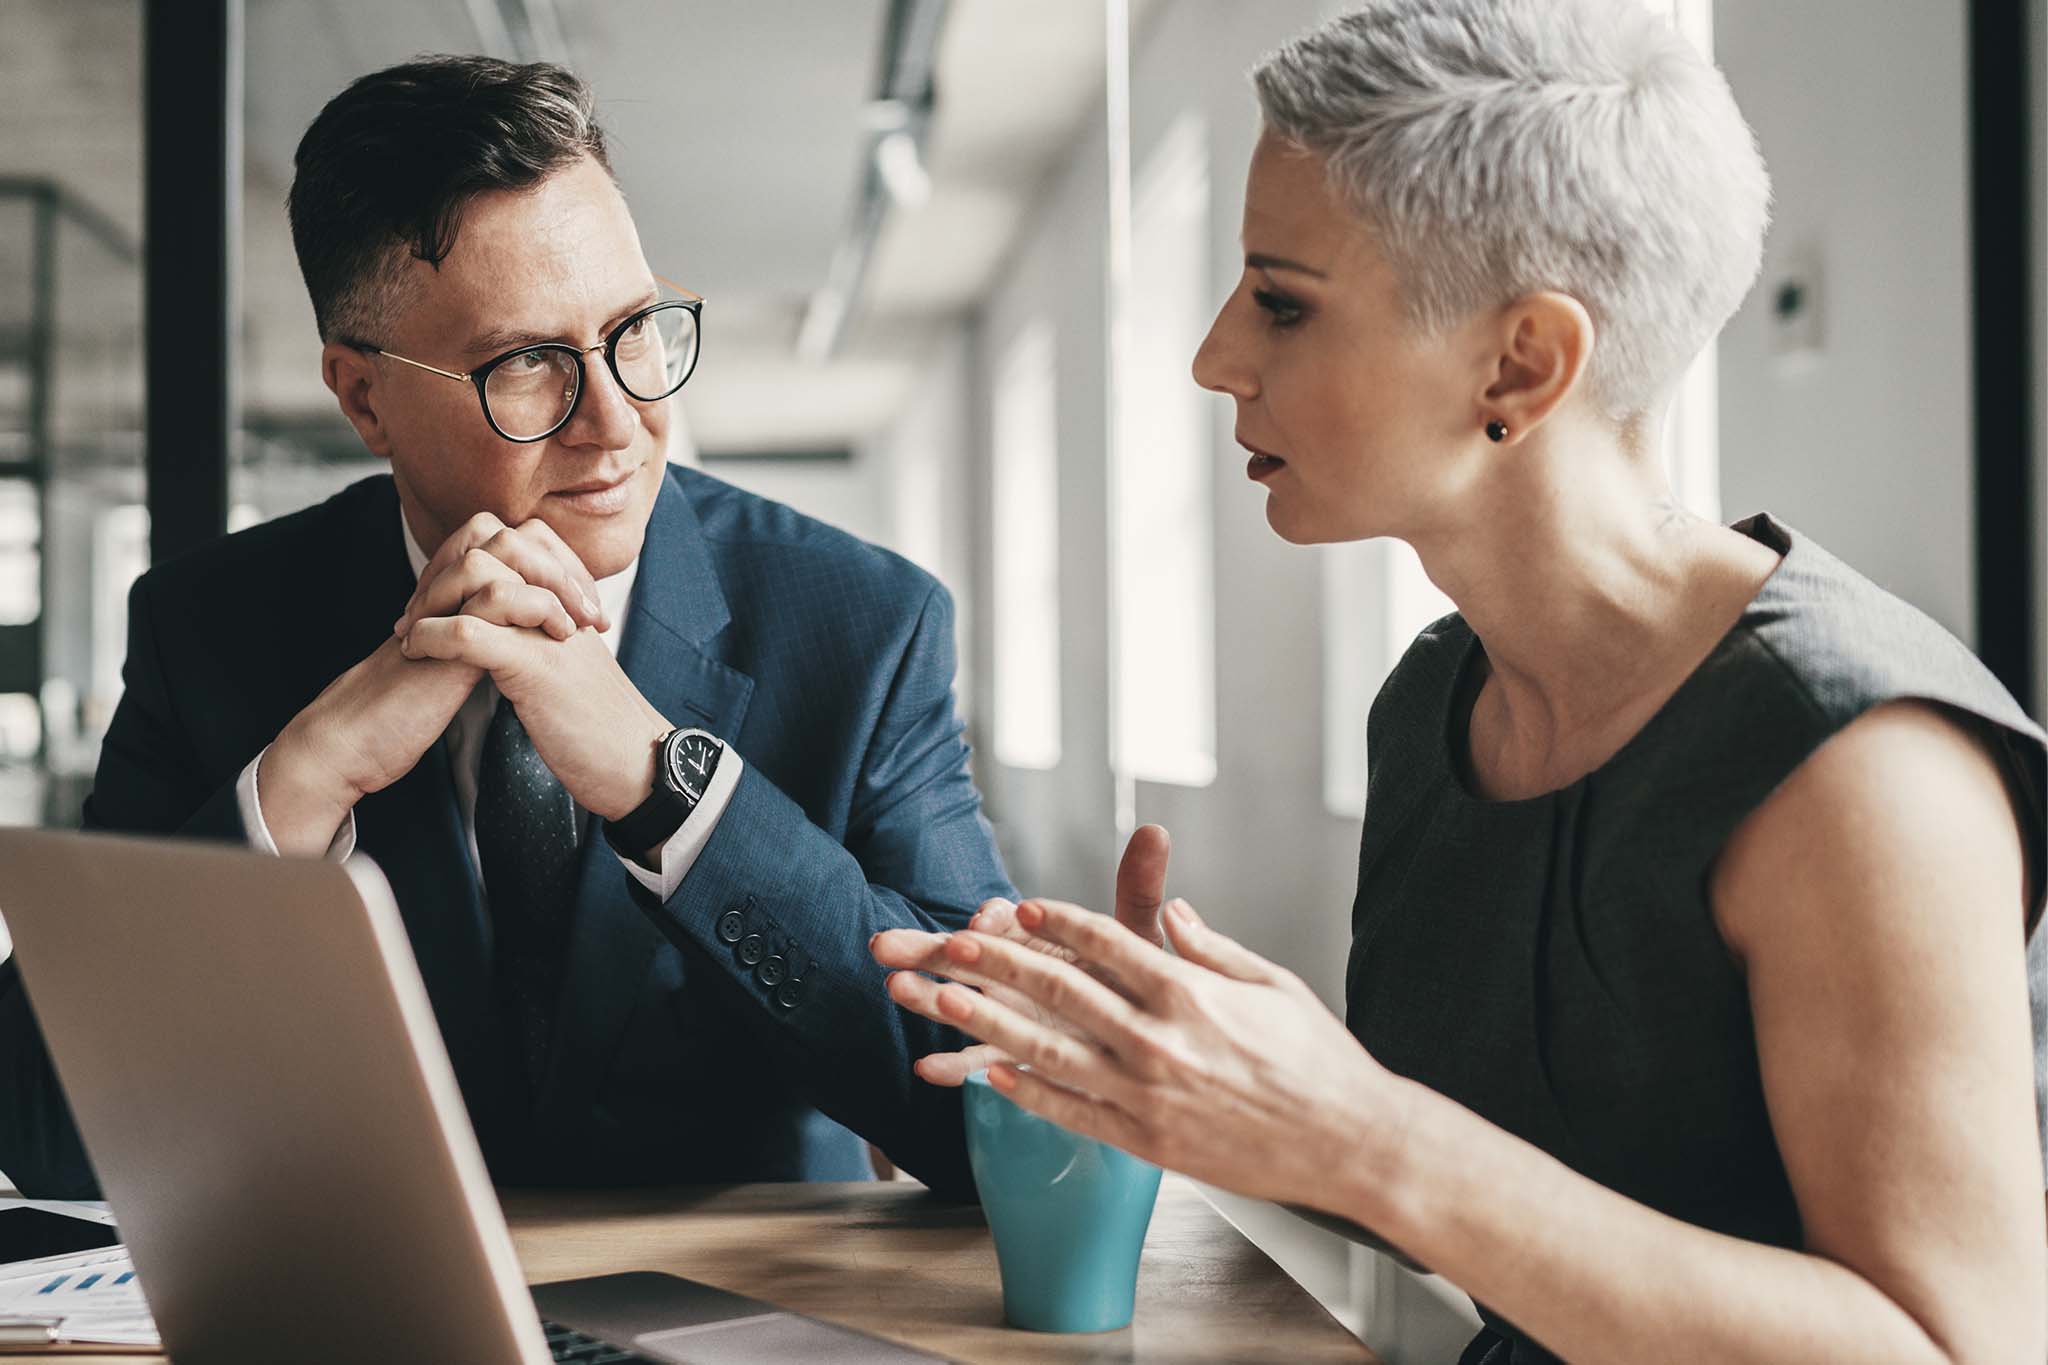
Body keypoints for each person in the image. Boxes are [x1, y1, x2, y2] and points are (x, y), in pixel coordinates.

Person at [873, 2, 2048, 1360]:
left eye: (1281, 301)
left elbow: (1960, 1350)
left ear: (1522, 362)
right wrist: (1186, 1068)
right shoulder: (1437, 702)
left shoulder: (1862, 771)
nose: (1214, 359)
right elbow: (1477, 1208)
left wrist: (1360, 1131)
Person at [0, 55, 1013, 1201]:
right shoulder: (211, 628)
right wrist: (303, 780)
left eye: (634, 327)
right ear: (363, 397)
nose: (620, 421)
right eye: (526, 364)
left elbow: (989, 1112)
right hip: (366, 1305)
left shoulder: (863, 628)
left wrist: (667, 791)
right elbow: (39, 1133)